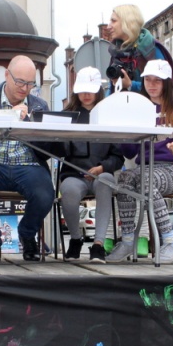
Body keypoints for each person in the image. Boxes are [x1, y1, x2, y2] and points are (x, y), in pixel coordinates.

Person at [106, 60, 173, 264]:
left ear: (167, 83)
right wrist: (124, 133)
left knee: (144, 180)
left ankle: (169, 241)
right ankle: (129, 238)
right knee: (123, 180)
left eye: (158, 80)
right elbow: (131, 153)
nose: (152, 84)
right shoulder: (139, 109)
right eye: (148, 79)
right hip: (145, 168)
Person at [0, 55, 55, 263]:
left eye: (30, 83)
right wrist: (9, 117)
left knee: (44, 192)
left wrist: (30, 122)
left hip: (29, 165)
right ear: (7, 75)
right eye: (20, 82)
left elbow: (49, 146)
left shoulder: (40, 106)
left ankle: (27, 233)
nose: (24, 88)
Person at [58, 66, 123, 262]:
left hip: (101, 172)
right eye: (82, 90)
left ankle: (98, 244)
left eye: (90, 90)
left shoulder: (110, 115)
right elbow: (59, 151)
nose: (86, 95)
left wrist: (103, 167)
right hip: (73, 174)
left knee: (105, 181)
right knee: (68, 191)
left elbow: (118, 155)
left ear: (98, 90)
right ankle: (76, 239)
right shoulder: (68, 115)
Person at [103, 4, 173, 94]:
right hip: (123, 106)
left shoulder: (150, 48)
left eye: (113, 21)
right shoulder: (116, 52)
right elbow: (111, 87)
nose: (108, 26)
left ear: (127, 22)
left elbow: (165, 85)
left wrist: (130, 85)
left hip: (152, 107)